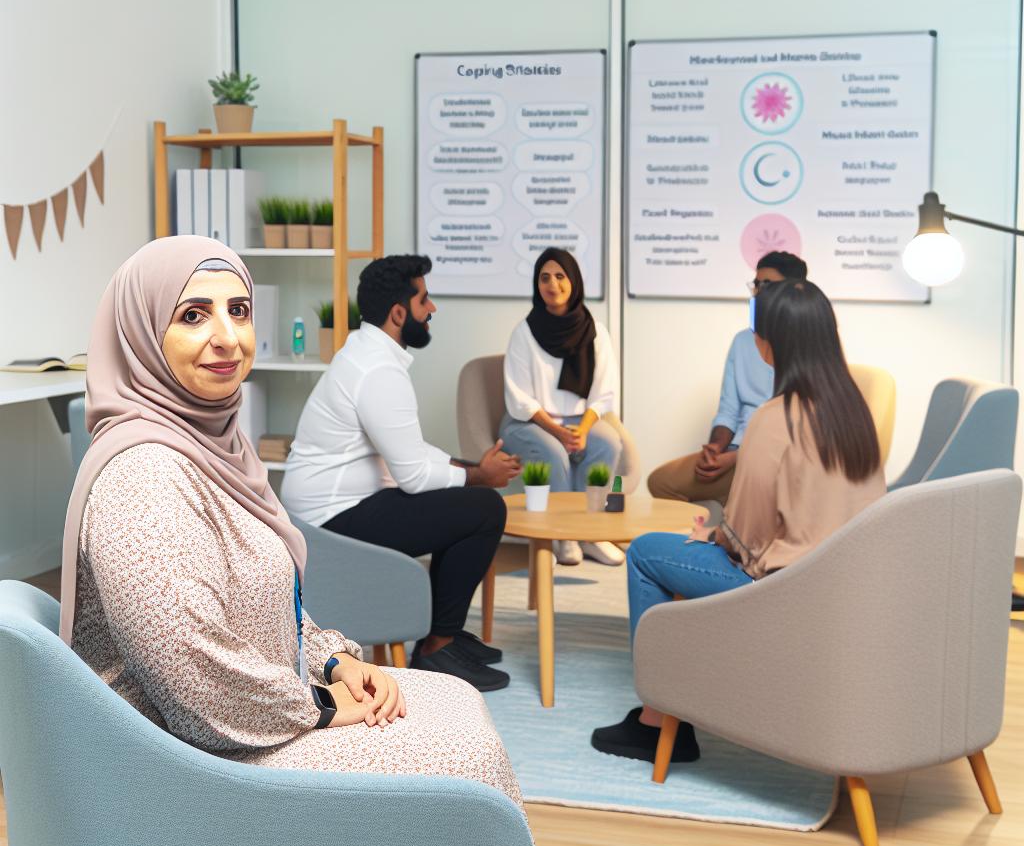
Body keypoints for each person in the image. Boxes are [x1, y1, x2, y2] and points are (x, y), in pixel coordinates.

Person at [61, 237, 540, 846]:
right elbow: (188, 665)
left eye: (238, 310)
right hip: (195, 766)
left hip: (242, 723)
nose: (228, 337)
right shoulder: (144, 476)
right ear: (142, 334)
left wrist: (334, 660)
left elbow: (264, 608)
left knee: (458, 704)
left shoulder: (213, 449)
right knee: (459, 759)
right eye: (193, 315)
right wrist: (316, 705)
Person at [591, 279, 885, 764]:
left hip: (785, 591)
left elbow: (745, 543)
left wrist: (714, 536)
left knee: (645, 552)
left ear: (770, 345)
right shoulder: (854, 412)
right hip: (846, 588)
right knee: (690, 545)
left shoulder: (775, 418)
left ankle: (658, 719)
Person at [283, 254, 521, 692]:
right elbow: (412, 475)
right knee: (483, 507)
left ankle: (444, 634)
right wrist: (479, 477)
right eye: (424, 300)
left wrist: (468, 468)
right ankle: (437, 647)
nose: (432, 310)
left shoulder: (369, 355)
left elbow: (410, 452)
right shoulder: (377, 370)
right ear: (398, 313)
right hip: (332, 521)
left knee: (466, 501)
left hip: (339, 506)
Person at [647, 251, 808, 508]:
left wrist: (736, 458)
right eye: (757, 284)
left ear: (794, 290)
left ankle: (735, 525)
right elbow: (729, 409)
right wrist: (715, 449)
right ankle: (717, 530)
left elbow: (796, 428)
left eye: (768, 285)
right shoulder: (743, 341)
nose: (758, 292)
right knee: (660, 482)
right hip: (732, 451)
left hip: (775, 458)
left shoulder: (810, 344)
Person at [499, 247, 624, 567]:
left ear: (574, 282)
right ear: (536, 285)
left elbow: (604, 392)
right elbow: (520, 399)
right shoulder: (524, 333)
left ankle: (590, 533)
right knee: (554, 453)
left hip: (579, 420)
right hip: (527, 422)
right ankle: (562, 535)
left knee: (608, 443)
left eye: (559, 276)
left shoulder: (595, 332)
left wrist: (581, 430)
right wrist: (558, 432)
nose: (552, 284)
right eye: (544, 278)